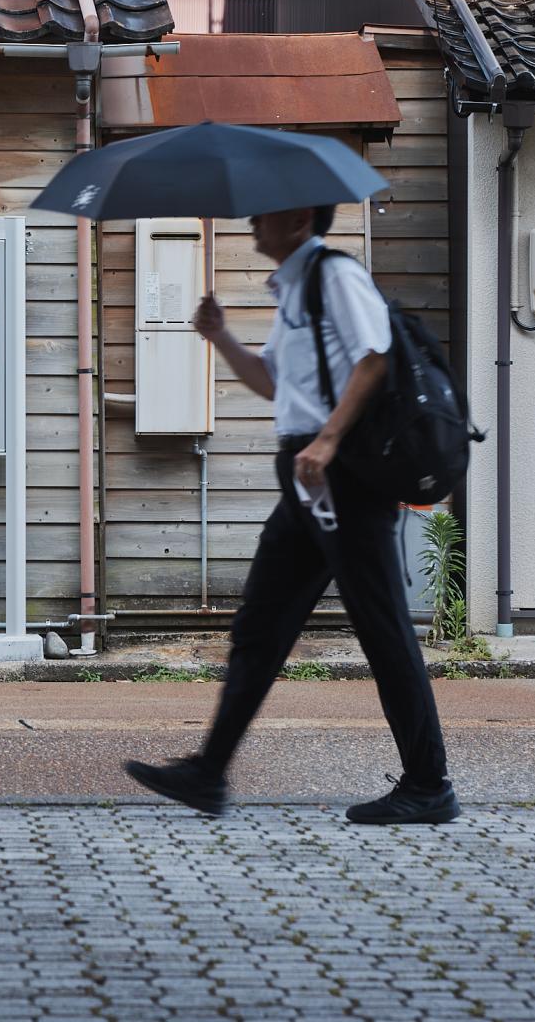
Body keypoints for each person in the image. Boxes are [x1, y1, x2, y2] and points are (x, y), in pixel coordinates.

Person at [124, 204, 459, 826]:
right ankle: (207, 772)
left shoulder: (334, 275)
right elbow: (274, 382)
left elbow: (376, 358)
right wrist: (219, 335)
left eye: (264, 215)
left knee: (381, 624)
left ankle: (428, 783)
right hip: (307, 479)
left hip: (342, 476)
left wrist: (329, 439)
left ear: (301, 220)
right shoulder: (297, 288)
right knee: (261, 625)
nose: (252, 221)